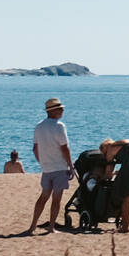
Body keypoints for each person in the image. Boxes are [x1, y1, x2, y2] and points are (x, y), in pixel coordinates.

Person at [26, 96, 75, 233]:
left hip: (46, 168)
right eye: (60, 109)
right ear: (54, 111)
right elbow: (65, 148)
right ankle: (51, 227)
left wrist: (42, 162)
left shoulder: (39, 126)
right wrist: (70, 166)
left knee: (43, 197)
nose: (62, 111)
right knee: (56, 199)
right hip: (59, 167)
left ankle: (33, 225)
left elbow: (35, 148)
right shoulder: (59, 126)